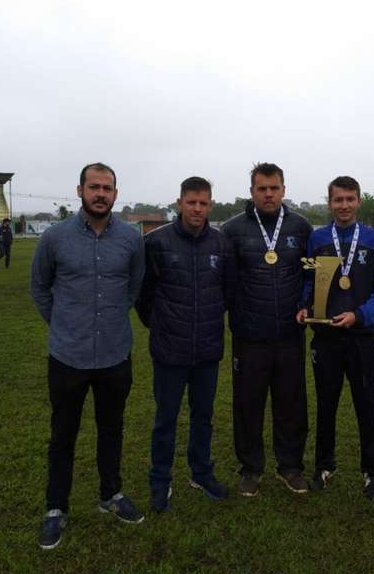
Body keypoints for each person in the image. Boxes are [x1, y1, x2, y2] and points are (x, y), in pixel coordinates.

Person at [30, 162, 145, 550]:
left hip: (114, 354)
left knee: (111, 430)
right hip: (68, 356)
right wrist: (65, 324)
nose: (100, 193)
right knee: (63, 435)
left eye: (107, 188)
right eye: (93, 187)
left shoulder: (131, 238)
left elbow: (134, 287)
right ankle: (55, 508)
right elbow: (40, 288)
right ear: (79, 190)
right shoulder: (55, 238)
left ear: (116, 193)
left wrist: (108, 321)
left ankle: (110, 495)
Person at [136, 176, 233, 513]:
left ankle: (201, 473)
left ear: (210, 205)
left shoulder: (221, 245)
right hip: (169, 351)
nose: (197, 209)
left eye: (203, 203)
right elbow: (143, 295)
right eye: (191, 202)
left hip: (207, 349)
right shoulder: (156, 242)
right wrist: (161, 325)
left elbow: (227, 293)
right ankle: (160, 481)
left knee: (203, 417)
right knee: (166, 419)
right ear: (179, 203)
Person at [296, 176, 374, 499]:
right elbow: (310, 281)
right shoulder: (318, 238)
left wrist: (361, 314)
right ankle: (324, 466)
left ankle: (371, 472)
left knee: (366, 404)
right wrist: (304, 306)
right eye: (338, 200)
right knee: (326, 404)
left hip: (362, 336)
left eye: (350, 199)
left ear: (359, 201)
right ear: (329, 203)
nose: (344, 205)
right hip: (325, 337)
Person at [221, 162, 313, 496]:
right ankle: (251, 468)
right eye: (262, 188)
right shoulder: (232, 230)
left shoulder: (301, 227)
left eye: (274, 188)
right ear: (252, 192)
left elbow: (309, 276)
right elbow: (226, 280)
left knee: (291, 403)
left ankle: (290, 466)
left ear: (284, 190)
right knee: (248, 403)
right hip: (249, 335)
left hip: (290, 333)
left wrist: (307, 305)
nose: (269, 194)